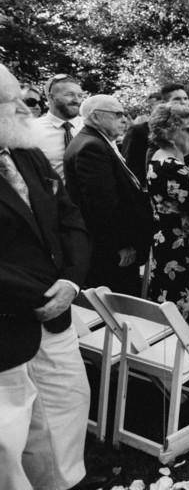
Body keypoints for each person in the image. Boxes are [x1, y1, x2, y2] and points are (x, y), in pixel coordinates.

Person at [0, 64, 98, 490]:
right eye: (12, 99)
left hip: (59, 304)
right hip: (10, 319)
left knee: (68, 400)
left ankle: (66, 480)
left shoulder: (27, 154)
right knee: (12, 431)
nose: (26, 105)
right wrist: (36, 293)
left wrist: (72, 281)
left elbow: (69, 218)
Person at [64, 95, 154, 296]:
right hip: (111, 250)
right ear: (95, 117)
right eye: (118, 114)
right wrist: (122, 245)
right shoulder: (91, 147)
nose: (125, 120)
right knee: (119, 308)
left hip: (108, 246)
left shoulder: (95, 141)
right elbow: (102, 206)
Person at [146, 104, 189, 316]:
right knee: (178, 306)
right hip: (180, 246)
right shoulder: (172, 167)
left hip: (165, 239)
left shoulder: (158, 158)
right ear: (169, 134)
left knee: (167, 299)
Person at [121, 83, 189, 187]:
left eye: (186, 98)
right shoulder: (138, 131)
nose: (183, 102)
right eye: (177, 99)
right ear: (164, 103)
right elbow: (131, 168)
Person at [32, 74, 84, 181]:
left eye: (80, 95)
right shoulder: (31, 130)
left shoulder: (90, 126)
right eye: (69, 95)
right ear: (51, 97)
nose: (76, 100)